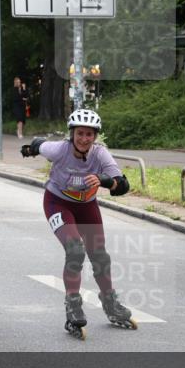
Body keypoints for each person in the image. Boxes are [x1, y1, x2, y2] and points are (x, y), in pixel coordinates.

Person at [21, 108, 135, 339]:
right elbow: (39, 143)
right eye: (80, 133)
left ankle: (111, 305)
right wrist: (30, 149)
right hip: (57, 203)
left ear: (95, 137)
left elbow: (123, 185)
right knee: (75, 250)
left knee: (100, 255)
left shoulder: (100, 154)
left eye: (89, 135)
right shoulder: (59, 150)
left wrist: (104, 181)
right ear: (72, 134)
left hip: (87, 206)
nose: (84, 139)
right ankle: (73, 306)